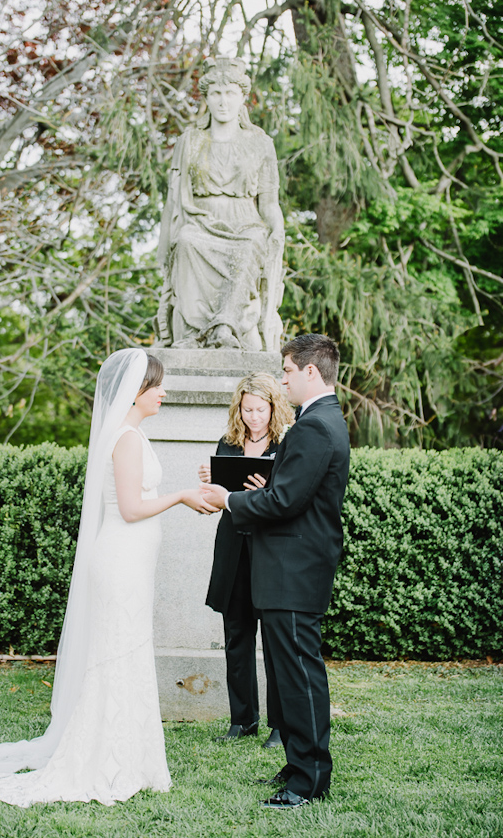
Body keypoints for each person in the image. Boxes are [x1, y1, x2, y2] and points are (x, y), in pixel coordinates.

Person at [0, 348, 216, 807]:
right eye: (157, 386)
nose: (164, 393)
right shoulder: (127, 439)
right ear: (136, 392)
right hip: (120, 559)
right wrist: (180, 495)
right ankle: (106, 759)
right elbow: (133, 508)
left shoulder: (131, 434)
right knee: (118, 653)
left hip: (131, 561)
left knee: (127, 651)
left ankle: (129, 757)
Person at [201, 335, 350, 810]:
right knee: (292, 673)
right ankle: (298, 764)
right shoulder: (322, 420)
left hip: (292, 570)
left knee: (301, 676)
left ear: (310, 372)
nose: (282, 380)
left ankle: (307, 781)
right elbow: (289, 490)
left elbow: (284, 501)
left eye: (286, 371)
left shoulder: (313, 427)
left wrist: (229, 499)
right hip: (293, 568)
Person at [156, 56, 285, 351]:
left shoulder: (260, 143)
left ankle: (224, 327)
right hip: (200, 218)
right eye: (216, 94)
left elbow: (268, 202)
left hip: (244, 222)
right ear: (207, 98)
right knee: (186, 241)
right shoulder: (189, 141)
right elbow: (173, 202)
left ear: (242, 98)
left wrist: (277, 228)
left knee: (252, 243)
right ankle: (191, 333)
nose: (223, 102)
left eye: (230, 94)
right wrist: (164, 246)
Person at [199, 373, 294, 747]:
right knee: (236, 636)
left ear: (274, 407)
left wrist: (266, 492)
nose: (254, 417)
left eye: (261, 409)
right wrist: (209, 484)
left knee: (274, 640)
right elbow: (212, 504)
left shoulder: (287, 443)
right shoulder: (228, 443)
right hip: (232, 548)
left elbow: (290, 499)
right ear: (239, 408)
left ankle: (281, 725)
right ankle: (243, 720)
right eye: (247, 409)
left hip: (270, 549)